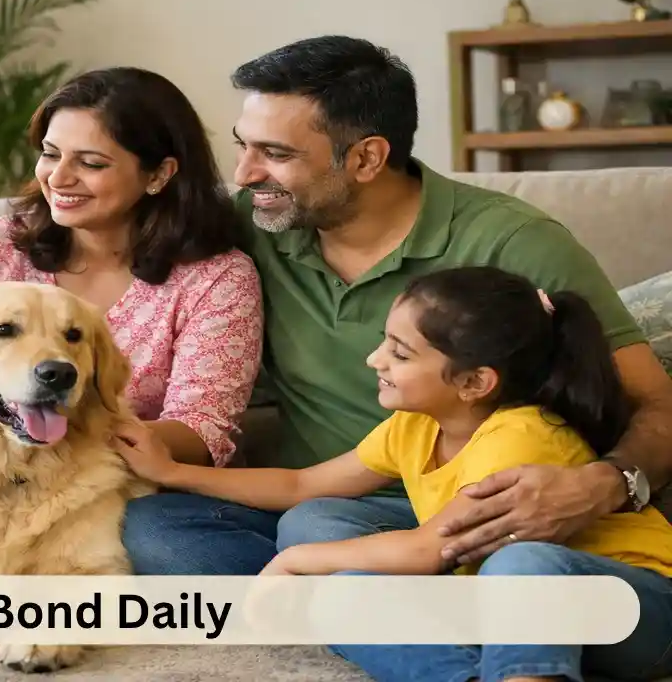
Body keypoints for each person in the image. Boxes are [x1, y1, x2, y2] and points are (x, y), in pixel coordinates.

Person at [121, 35, 672, 575]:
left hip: (469, 508)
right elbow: (104, 241)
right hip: (312, 495)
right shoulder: (253, 225)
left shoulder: (514, 242)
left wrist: (606, 484)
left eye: (276, 154)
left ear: (367, 158)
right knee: (151, 528)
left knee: (315, 528)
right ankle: (345, 595)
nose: (243, 174)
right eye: (243, 145)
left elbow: (657, 403)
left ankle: (355, 594)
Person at [117, 265, 672, 682]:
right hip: (500, 609)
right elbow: (302, 485)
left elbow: (429, 550)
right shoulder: (415, 426)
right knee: (343, 596)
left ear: (475, 383)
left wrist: (294, 560)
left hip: (633, 612)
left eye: (400, 353)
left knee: (521, 562)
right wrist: (173, 472)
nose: (374, 360)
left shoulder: (523, 436)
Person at [0, 66, 264, 469]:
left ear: (159, 173)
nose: (59, 177)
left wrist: (73, 437)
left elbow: (201, 430)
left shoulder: (218, 278)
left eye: (91, 163)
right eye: (50, 154)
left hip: (127, 490)